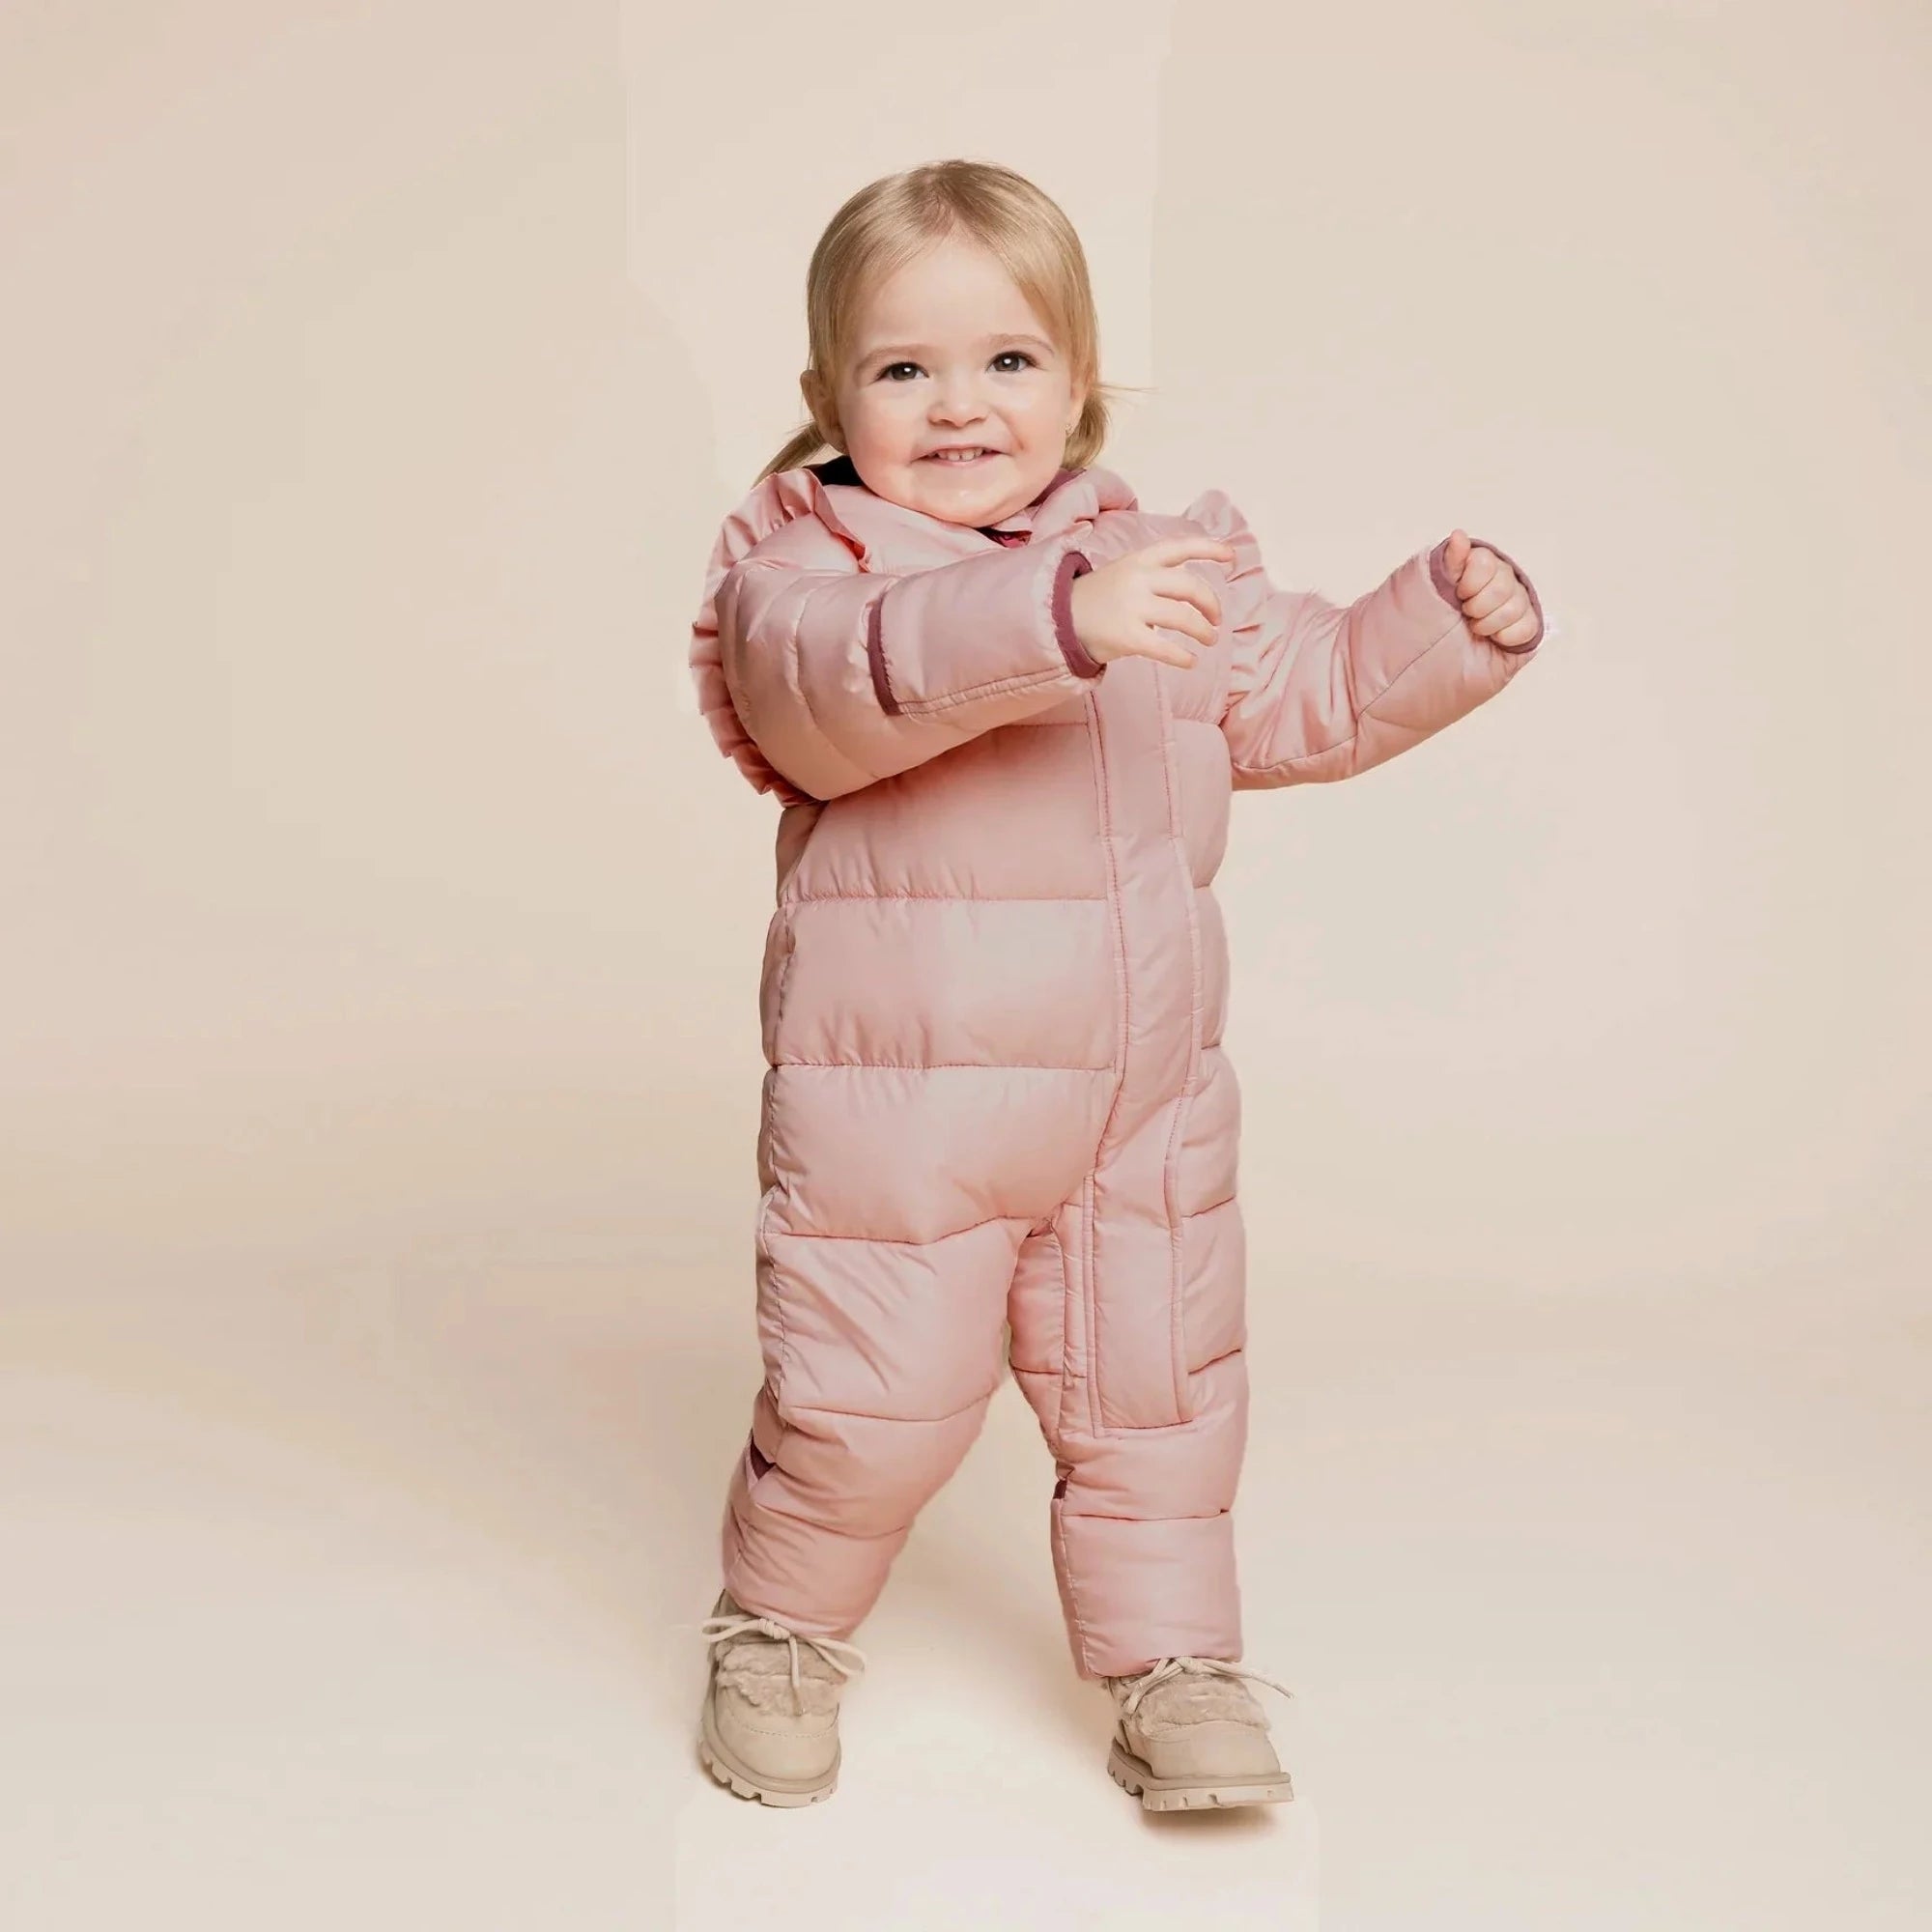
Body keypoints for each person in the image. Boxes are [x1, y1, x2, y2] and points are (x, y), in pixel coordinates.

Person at [685, 158, 1548, 1812]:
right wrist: (1059, 617)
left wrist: (1439, 626)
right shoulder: (807, 578)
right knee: (870, 1399)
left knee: (1159, 1400)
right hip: (909, 1113)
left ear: (1079, 381)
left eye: (1008, 360)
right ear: (828, 396)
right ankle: (778, 1626)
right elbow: (841, 693)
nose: (960, 405)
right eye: (904, 368)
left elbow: (1298, 694)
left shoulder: (1157, 558)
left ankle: (1177, 1665)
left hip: (1141, 1098)